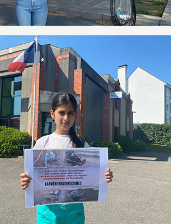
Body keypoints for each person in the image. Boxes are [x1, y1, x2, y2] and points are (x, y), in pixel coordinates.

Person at [20, 93, 114, 223]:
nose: (66, 118)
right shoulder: (43, 143)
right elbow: (34, 177)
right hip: (48, 212)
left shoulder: (82, 144)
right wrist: (26, 181)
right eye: (62, 112)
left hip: (74, 212)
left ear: (75, 115)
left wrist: (103, 177)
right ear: (52, 113)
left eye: (70, 113)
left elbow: (91, 177)